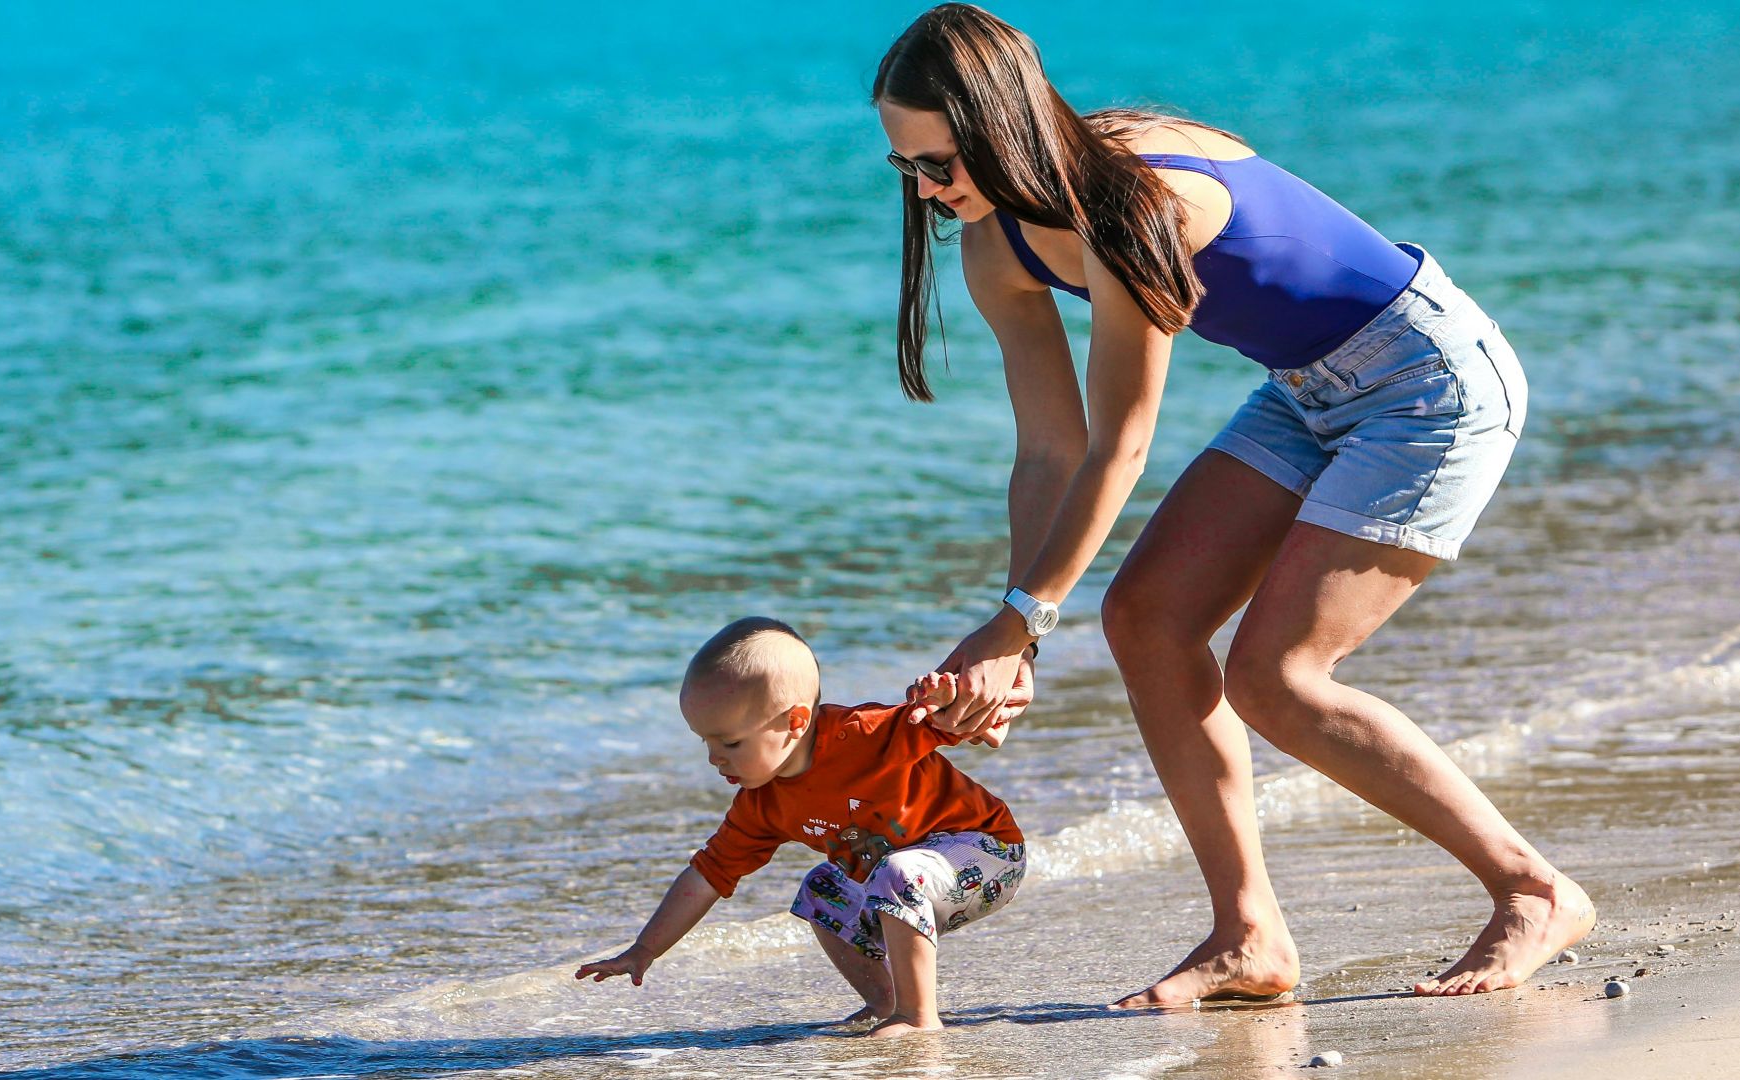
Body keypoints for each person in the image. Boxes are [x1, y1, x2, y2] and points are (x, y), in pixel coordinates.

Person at [872, 4, 1593, 1002]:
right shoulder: (997, 246)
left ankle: (1532, 890)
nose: (929, 189)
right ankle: (1250, 937)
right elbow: (1050, 448)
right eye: (906, 166)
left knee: (1279, 676)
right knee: (1146, 618)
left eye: (942, 160)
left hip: (1429, 381)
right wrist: (1019, 640)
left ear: (1006, 126)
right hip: (1304, 387)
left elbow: (1122, 444)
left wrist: (1019, 620)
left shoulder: (1132, 203)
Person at [574, 617, 1027, 1037]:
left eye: (730, 742)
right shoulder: (761, 803)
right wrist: (644, 950)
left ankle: (917, 1015)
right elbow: (707, 875)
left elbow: (956, 724)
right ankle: (884, 1001)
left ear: (794, 721)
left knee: (898, 873)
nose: (714, 756)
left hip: (987, 852)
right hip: (904, 878)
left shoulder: (866, 735)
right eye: (706, 742)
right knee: (820, 890)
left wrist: (945, 700)